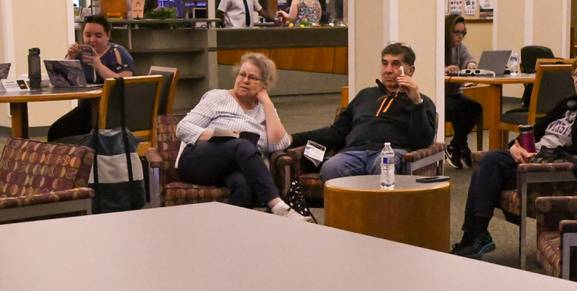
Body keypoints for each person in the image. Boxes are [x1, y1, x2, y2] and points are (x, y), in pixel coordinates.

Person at [452, 51, 577, 259]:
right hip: (534, 157)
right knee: (489, 163)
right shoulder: (568, 103)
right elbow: (535, 130)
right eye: (575, 74)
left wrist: (545, 154)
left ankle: (475, 236)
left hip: (551, 170)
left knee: (490, 164)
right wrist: (516, 146)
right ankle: (476, 236)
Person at [175, 53, 310, 221]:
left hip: (233, 168)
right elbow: (182, 128)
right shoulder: (218, 97)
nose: (245, 80)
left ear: (264, 85)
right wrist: (216, 135)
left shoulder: (264, 110)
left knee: (244, 185)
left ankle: (231, 234)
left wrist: (267, 102)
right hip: (198, 161)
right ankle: (277, 205)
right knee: (242, 145)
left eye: (253, 78)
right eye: (242, 74)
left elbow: (279, 144)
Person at [290, 42, 436, 182]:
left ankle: (380, 208)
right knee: (331, 167)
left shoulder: (422, 102)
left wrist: (416, 103)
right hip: (354, 153)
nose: (388, 70)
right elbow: (335, 133)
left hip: (390, 153)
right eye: (385, 63)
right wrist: (292, 139)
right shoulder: (365, 95)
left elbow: (422, 142)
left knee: (384, 165)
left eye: (396, 64)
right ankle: (348, 208)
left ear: (410, 70)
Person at [47, 14, 135, 142]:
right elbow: (61, 82)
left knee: (85, 135)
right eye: (87, 35)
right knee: (56, 132)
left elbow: (126, 83)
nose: (92, 40)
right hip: (86, 109)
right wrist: (69, 59)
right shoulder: (80, 54)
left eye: (98, 36)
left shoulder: (118, 53)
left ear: (108, 35)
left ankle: (92, 157)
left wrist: (99, 65)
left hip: (114, 111)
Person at [444, 13, 483, 170]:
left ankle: (454, 145)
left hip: (454, 94)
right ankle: (462, 147)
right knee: (459, 109)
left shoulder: (460, 48)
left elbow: (469, 60)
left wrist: (471, 65)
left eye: (463, 33)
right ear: (447, 31)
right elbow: (429, 71)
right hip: (439, 96)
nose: (460, 37)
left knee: (476, 108)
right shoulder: (438, 46)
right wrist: (444, 70)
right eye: (456, 32)